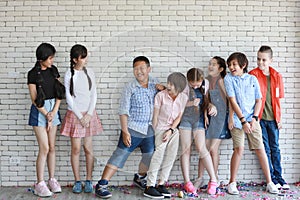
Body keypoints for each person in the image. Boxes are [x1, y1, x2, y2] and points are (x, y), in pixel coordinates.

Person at [95, 56, 160, 199]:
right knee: (120, 155)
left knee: (149, 156)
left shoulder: (155, 84)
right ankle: (101, 185)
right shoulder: (130, 87)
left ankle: (140, 178)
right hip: (133, 128)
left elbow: (171, 93)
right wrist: (125, 132)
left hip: (149, 129)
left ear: (149, 69)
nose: (139, 71)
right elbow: (123, 111)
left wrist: (164, 88)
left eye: (142, 68)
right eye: (136, 69)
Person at [224, 52, 279, 195]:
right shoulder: (228, 79)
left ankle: (270, 182)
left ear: (243, 65)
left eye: (234, 64)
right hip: (238, 120)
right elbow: (233, 101)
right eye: (229, 65)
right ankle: (232, 183)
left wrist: (254, 119)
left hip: (253, 120)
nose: (231, 67)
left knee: (260, 149)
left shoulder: (252, 79)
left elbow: (259, 100)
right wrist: (243, 121)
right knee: (239, 149)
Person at [60, 44, 103, 194]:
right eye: (83, 57)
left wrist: (89, 114)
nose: (86, 59)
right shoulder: (69, 74)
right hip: (75, 115)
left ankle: (89, 179)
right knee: (76, 149)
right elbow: (69, 97)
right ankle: (77, 180)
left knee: (88, 148)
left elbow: (94, 94)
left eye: (86, 56)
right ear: (74, 59)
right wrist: (80, 116)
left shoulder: (89, 72)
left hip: (89, 114)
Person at [249, 46, 289, 190]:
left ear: (270, 60)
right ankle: (271, 179)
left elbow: (278, 99)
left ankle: (280, 178)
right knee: (265, 149)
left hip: (273, 119)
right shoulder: (252, 75)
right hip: (259, 119)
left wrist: (279, 118)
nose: (261, 62)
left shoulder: (277, 76)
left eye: (264, 60)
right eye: (258, 59)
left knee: (275, 148)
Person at [143, 72, 188, 199]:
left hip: (173, 130)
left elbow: (179, 117)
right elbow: (155, 116)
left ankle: (161, 184)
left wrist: (171, 130)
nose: (168, 86)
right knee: (158, 155)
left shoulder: (183, 98)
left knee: (171, 156)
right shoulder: (160, 96)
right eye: (168, 83)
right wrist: (155, 131)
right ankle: (149, 186)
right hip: (160, 129)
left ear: (178, 87)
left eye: (171, 84)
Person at [27, 43, 64, 197]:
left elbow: (59, 93)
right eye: (50, 58)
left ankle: (52, 179)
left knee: (52, 147)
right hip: (39, 110)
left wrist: (53, 112)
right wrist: (46, 114)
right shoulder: (32, 74)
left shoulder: (53, 71)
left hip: (53, 109)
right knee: (45, 148)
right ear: (41, 58)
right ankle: (40, 183)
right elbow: (34, 99)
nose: (52, 61)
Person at [179, 68, 218, 195]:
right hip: (185, 118)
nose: (195, 86)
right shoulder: (183, 86)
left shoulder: (205, 83)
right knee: (186, 149)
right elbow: (178, 104)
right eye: (193, 84)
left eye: (198, 83)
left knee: (202, 148)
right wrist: (191, 103)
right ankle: (187, 182)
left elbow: (206, 101)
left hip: (199, 119)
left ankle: (213, 180)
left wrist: (208, 112)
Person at [196, 56, 232, 188]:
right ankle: (199, 178)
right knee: (203, 148)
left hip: (221, 119)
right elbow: (205, 100)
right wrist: (206, 113)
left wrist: (231, 118)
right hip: (211, 117)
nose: (210, 66)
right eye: (209, 64)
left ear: (221, 68)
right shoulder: (206, 81)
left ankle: (214, 179)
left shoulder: (222, 81)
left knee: (212, 149)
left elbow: (230, 101)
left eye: (214, 64)